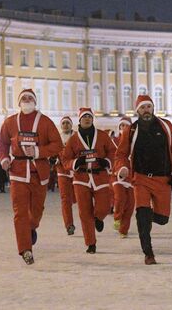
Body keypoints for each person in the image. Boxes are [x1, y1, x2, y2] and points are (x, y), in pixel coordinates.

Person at [115, 95, 172, 265]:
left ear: (153, 108)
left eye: (148, 107)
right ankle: (148, 253)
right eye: (142, 108)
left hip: (163, 179)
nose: (146, 110)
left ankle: (146, 217)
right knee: (143, 214)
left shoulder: (166, 126)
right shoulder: (131, 130)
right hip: (141, 178)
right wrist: (122, 168)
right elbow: (121, 154)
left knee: (162, 219)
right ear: (137, 111)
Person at [0, 89, 63, 265]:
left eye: (30, 98)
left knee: (36, 212)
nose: (27, 100)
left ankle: (32, 227)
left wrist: (38, 151)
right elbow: (2, 143)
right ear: (19, 102)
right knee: (20, 213)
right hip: (17, 172)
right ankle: (25, 250)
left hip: (38, 173)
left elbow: (57, 144)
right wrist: (4, 159)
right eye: (24, 98)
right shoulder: (10, 122)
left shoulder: (45, 122)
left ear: (35, 102)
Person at [60, 108, 115, 254]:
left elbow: (112, 152)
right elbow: (65, 159)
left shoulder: (102, 136)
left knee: (104, 206)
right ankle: (90, 243)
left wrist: (107, 161)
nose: (87, 119)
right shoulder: (73, 140)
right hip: (81, 179)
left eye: (89, 117)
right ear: (79, 120)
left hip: (100, 176)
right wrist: (76, 162)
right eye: (84, 117)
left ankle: (99, 218)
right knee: (84, 212)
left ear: (92, 119)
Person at [111, 116, 135, 238]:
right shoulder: (114, 141)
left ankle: (123, 230)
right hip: (117, 175)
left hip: (132, 176)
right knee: (120, 198)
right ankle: (117, 218)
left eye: (126, 126)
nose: (124, 128)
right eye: (122, 126)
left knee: (130, 204)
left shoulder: (134, 141)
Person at [56, 116, 77, 235]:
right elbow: (52, 152)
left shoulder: (77, 137)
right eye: (63, 123)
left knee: (76, 197)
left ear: (71, 125)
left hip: (75, 171)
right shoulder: (57, 139)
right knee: (65, 199)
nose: (65, 125)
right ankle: (69, 225)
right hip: (62, 172)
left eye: (67, 123)